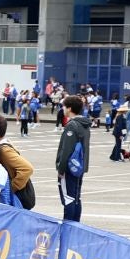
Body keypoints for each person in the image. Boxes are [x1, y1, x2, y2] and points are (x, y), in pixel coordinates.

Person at [55, 95, 89, 223]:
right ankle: (75, 225)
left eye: (64, 106)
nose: (62, 109)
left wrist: (61, 167)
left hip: (69, 168)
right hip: (79, 166)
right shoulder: (84, 124)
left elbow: (66, 149)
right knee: (76, 198)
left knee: (68, 198)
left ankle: (68, 225)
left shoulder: (72, 125)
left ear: (69, 108)